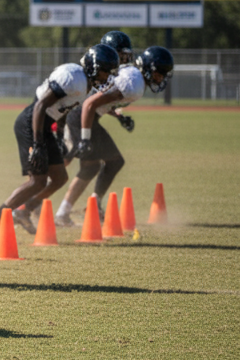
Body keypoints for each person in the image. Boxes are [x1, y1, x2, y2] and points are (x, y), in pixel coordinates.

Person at [0, 44, 119, 238]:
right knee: (37, 181)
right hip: (31, 124)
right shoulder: (73, 76)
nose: (108, 77)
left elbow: (63, 109)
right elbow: (40, 105)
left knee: (60, 177)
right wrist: (37, 143)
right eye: (106, 71)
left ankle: (24, 210)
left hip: (45, 126)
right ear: (94, 67)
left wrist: (60, 135)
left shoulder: (85, 84)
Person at [50, 45, 174, 226]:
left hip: (85, 116)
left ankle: (66, 211)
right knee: (100, 162)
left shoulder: (134, 78)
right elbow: (90, 104)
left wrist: (119, 116)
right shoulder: (134, 83)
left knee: (93, 166)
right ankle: (39, 203)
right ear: (149, 68)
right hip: (82, 116)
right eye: (159, 73)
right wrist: (85, 137)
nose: (161, 78)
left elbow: (102, 100)